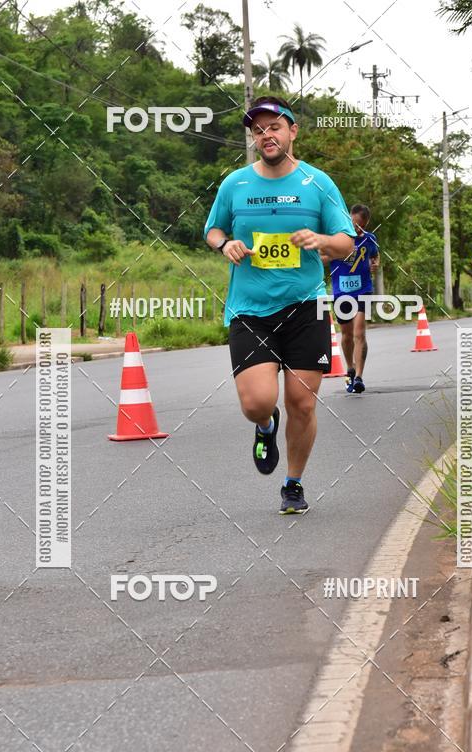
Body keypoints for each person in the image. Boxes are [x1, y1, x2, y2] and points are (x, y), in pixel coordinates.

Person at [203, 96, 356, 514]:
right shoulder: (235, 184)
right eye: (258, 131)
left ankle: (293, 483)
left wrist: (321, 240)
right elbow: (213, 229)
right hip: (250, 309)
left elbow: (346, 242)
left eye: (274, 127)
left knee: (302, 403)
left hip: (305, 307)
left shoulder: (318, 183)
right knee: (256, 402)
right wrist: (226, 244)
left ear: (292, 131)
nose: (266, 136)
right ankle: (265, 427)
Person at [326, 204, 379, 393]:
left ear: (366, 224)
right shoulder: (338, 238)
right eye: (353, 223)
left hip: (363, 290)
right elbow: (322, 257)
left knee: (359, 332)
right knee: (347, 335)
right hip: (341, 292)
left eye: (360, 226)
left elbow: (375, 256)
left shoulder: (370, 239)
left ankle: (359, 378)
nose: (356, 229)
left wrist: (374, 264)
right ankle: (350, 368)